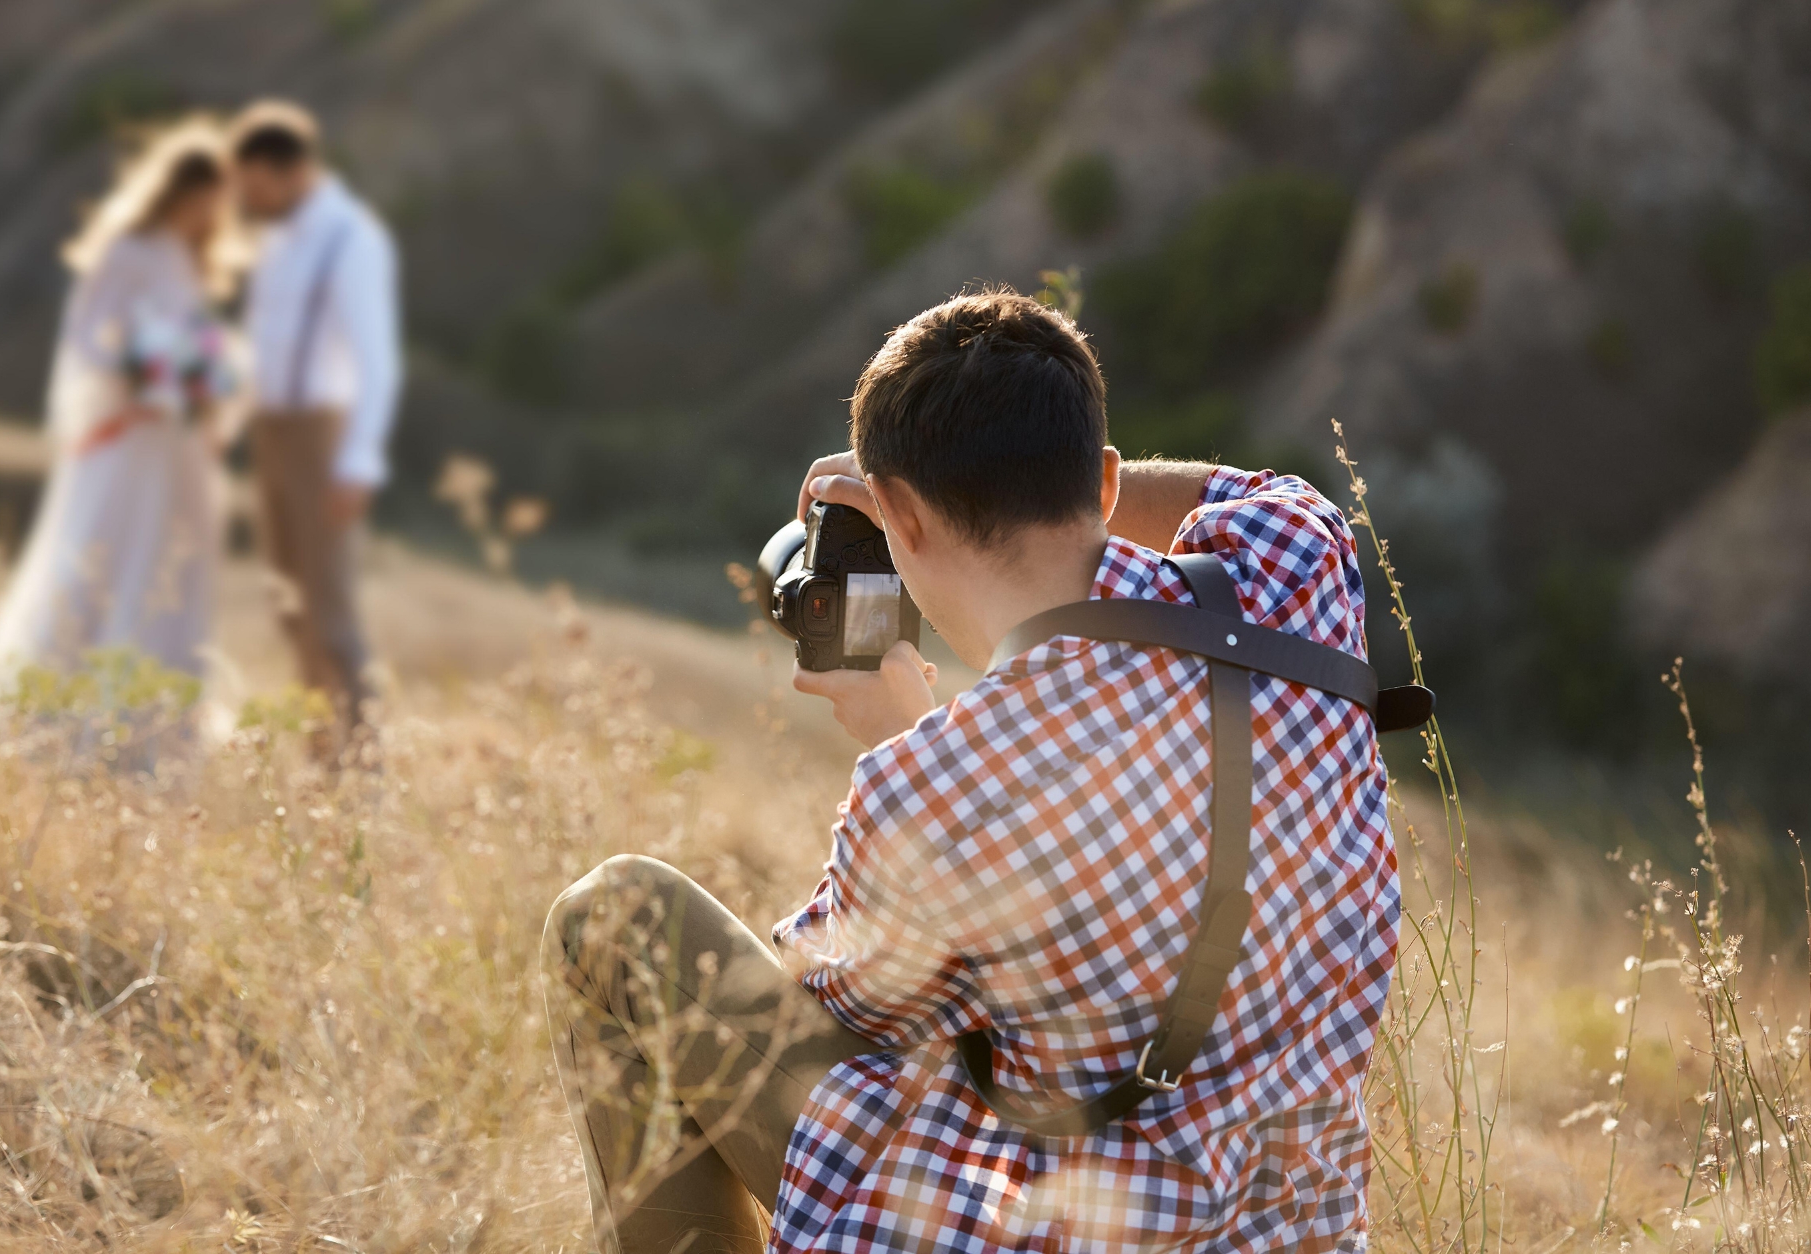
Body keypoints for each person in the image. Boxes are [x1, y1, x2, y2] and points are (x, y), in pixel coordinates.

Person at [541, 291, 1397, 1251]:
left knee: (615, 920)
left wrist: (906, 744)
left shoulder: (935, 782)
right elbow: (1237, 493)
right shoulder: (1299, 567)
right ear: (1107, 484)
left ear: (897, 516)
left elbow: (817, 1027)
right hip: (1294, 1231)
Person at [0, 119, 243, 733]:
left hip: (178, 444)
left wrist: (204, 387)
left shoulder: (191, 262)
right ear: (178, 189)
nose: (212, 211)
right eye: (206, 196)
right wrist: (137, 384)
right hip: (130, 435)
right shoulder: (127, 248)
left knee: (175, 567)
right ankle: (83, 708)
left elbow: (199, 346)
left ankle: (161, 720)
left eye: (220, 201)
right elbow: (87, 336)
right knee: (111, 560)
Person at [230, 100, 402, 746]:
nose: (250, 200)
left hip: (322, 438)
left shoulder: (351, 239)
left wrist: (359, 460)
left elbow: (377, 360)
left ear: (293, 170)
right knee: (288, 606)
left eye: (256, 186)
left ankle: (361, 771)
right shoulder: (276, 241)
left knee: (332, 615)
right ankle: (320, 752)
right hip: (271, 431)